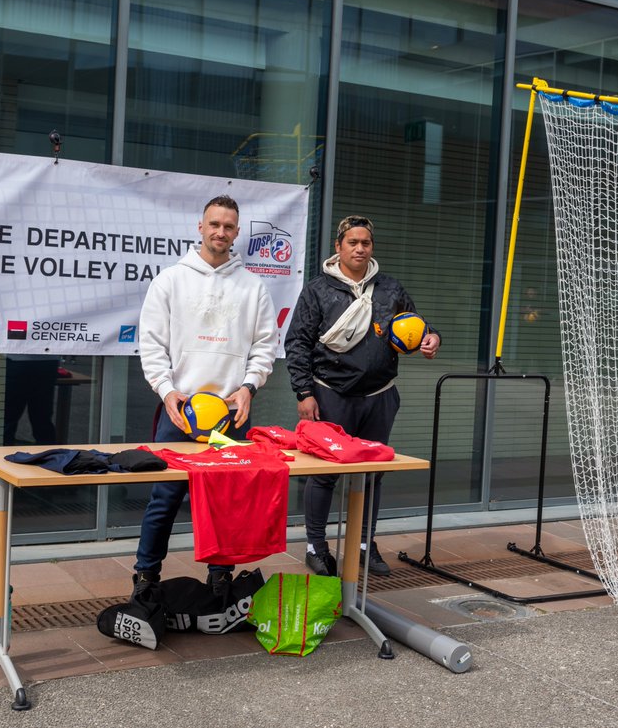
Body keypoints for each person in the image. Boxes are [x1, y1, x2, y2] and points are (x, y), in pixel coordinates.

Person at [131, 195, 278, 599]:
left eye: (229, 226)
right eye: (214, 224)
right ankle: (145, 578)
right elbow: (151, 344)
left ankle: (220, 578)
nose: (221, 232)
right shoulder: (170, 280)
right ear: (200, 227)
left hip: (231, 414)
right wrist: (166, 390)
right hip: (179, 412)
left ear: (237, 232)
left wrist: (249, 387)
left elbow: (265, 346)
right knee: (164, 498)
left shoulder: (253, 287)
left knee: (225, 504)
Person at [285, 215, 440, 577]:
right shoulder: (317, 291)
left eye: (365, 243)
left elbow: (416, 325)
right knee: (324, 474)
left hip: (379, 396)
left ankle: (364, 545)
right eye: (352, 242)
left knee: (372, 474)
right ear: (338, 247)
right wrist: (304, 391)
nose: (359, 248)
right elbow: (297, 344)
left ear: (372, 247)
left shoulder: (389, 289)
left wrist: (432, 338)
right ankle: (316, 546)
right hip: (330, 395)